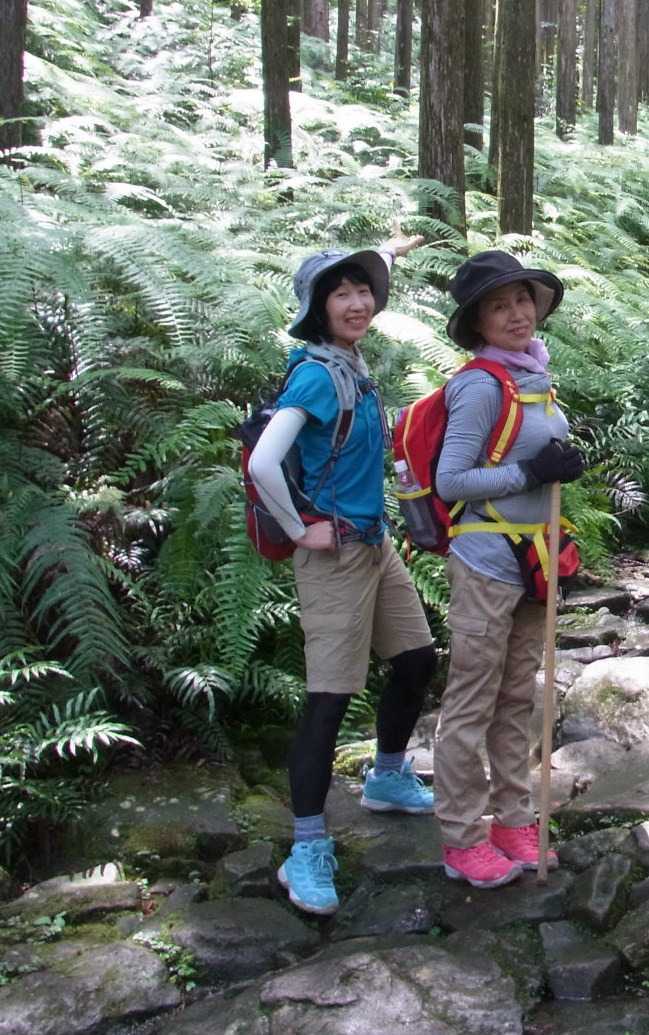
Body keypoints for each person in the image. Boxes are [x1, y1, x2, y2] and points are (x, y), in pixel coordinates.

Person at [247, 238, 439, 916]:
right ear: (317, 308)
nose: (358, 304)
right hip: (332, 557)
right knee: (329, 700)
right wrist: (300, 530)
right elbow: (262, 464)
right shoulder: (316, 377)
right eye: (341, 294)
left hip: (372, 545)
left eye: (364, 291)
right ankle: (305, 849)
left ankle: (386, 777)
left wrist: (387, 249)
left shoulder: (348, 364)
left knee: (416, 660)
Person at [431, 250, 587, 888]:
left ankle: (514, 817)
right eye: (500, 305)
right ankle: (461, 836)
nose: (518, 313)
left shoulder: (533, 375)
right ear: (478, 321)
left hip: (532, 561)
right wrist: (530, 472)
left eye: (523, 299)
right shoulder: (480, 385)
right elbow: (450, 481)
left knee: (518, 695)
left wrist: (557, 467)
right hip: (486, 561)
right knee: (471, 699)